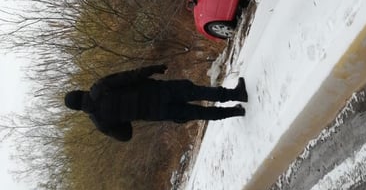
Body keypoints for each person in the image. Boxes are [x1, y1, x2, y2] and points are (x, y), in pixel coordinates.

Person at [64, 64, 248, 142]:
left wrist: (126, 116)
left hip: (158, 113)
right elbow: (130, 76)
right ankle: (237, 94)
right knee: (198, 92)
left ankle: (235, 112)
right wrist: (154, 69)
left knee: (198, 113)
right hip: (159, 91)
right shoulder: (99, 87)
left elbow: (125, 135)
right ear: (80, 92)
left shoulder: (100, 122)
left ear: (78, 109)